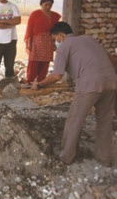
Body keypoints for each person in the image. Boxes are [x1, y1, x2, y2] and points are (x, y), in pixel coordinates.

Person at [31, 22, 117, 166]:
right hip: (111, 82)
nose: (55, 44)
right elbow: (111, 59)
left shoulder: (64, 46)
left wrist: (39, 85)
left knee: (74, 119)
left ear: (61, 35)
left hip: (90, 84)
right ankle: (104, 159)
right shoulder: (89, 40)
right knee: (105, 122)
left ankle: (66, 157)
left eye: (54, 40)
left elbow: (56, 75)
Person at [24, 0, 61, 84]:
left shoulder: (55, 16)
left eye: (50, 5)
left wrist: (55, 43)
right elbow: (29, 29)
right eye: (46, 5)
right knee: (34, 62)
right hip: (37, 42)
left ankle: (41, 81)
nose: (48, 7)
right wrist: (29, 43)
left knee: (45, 62)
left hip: (49, 42)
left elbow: (57, 31)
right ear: (41, 4)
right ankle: (30, 81)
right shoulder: (35, 14)